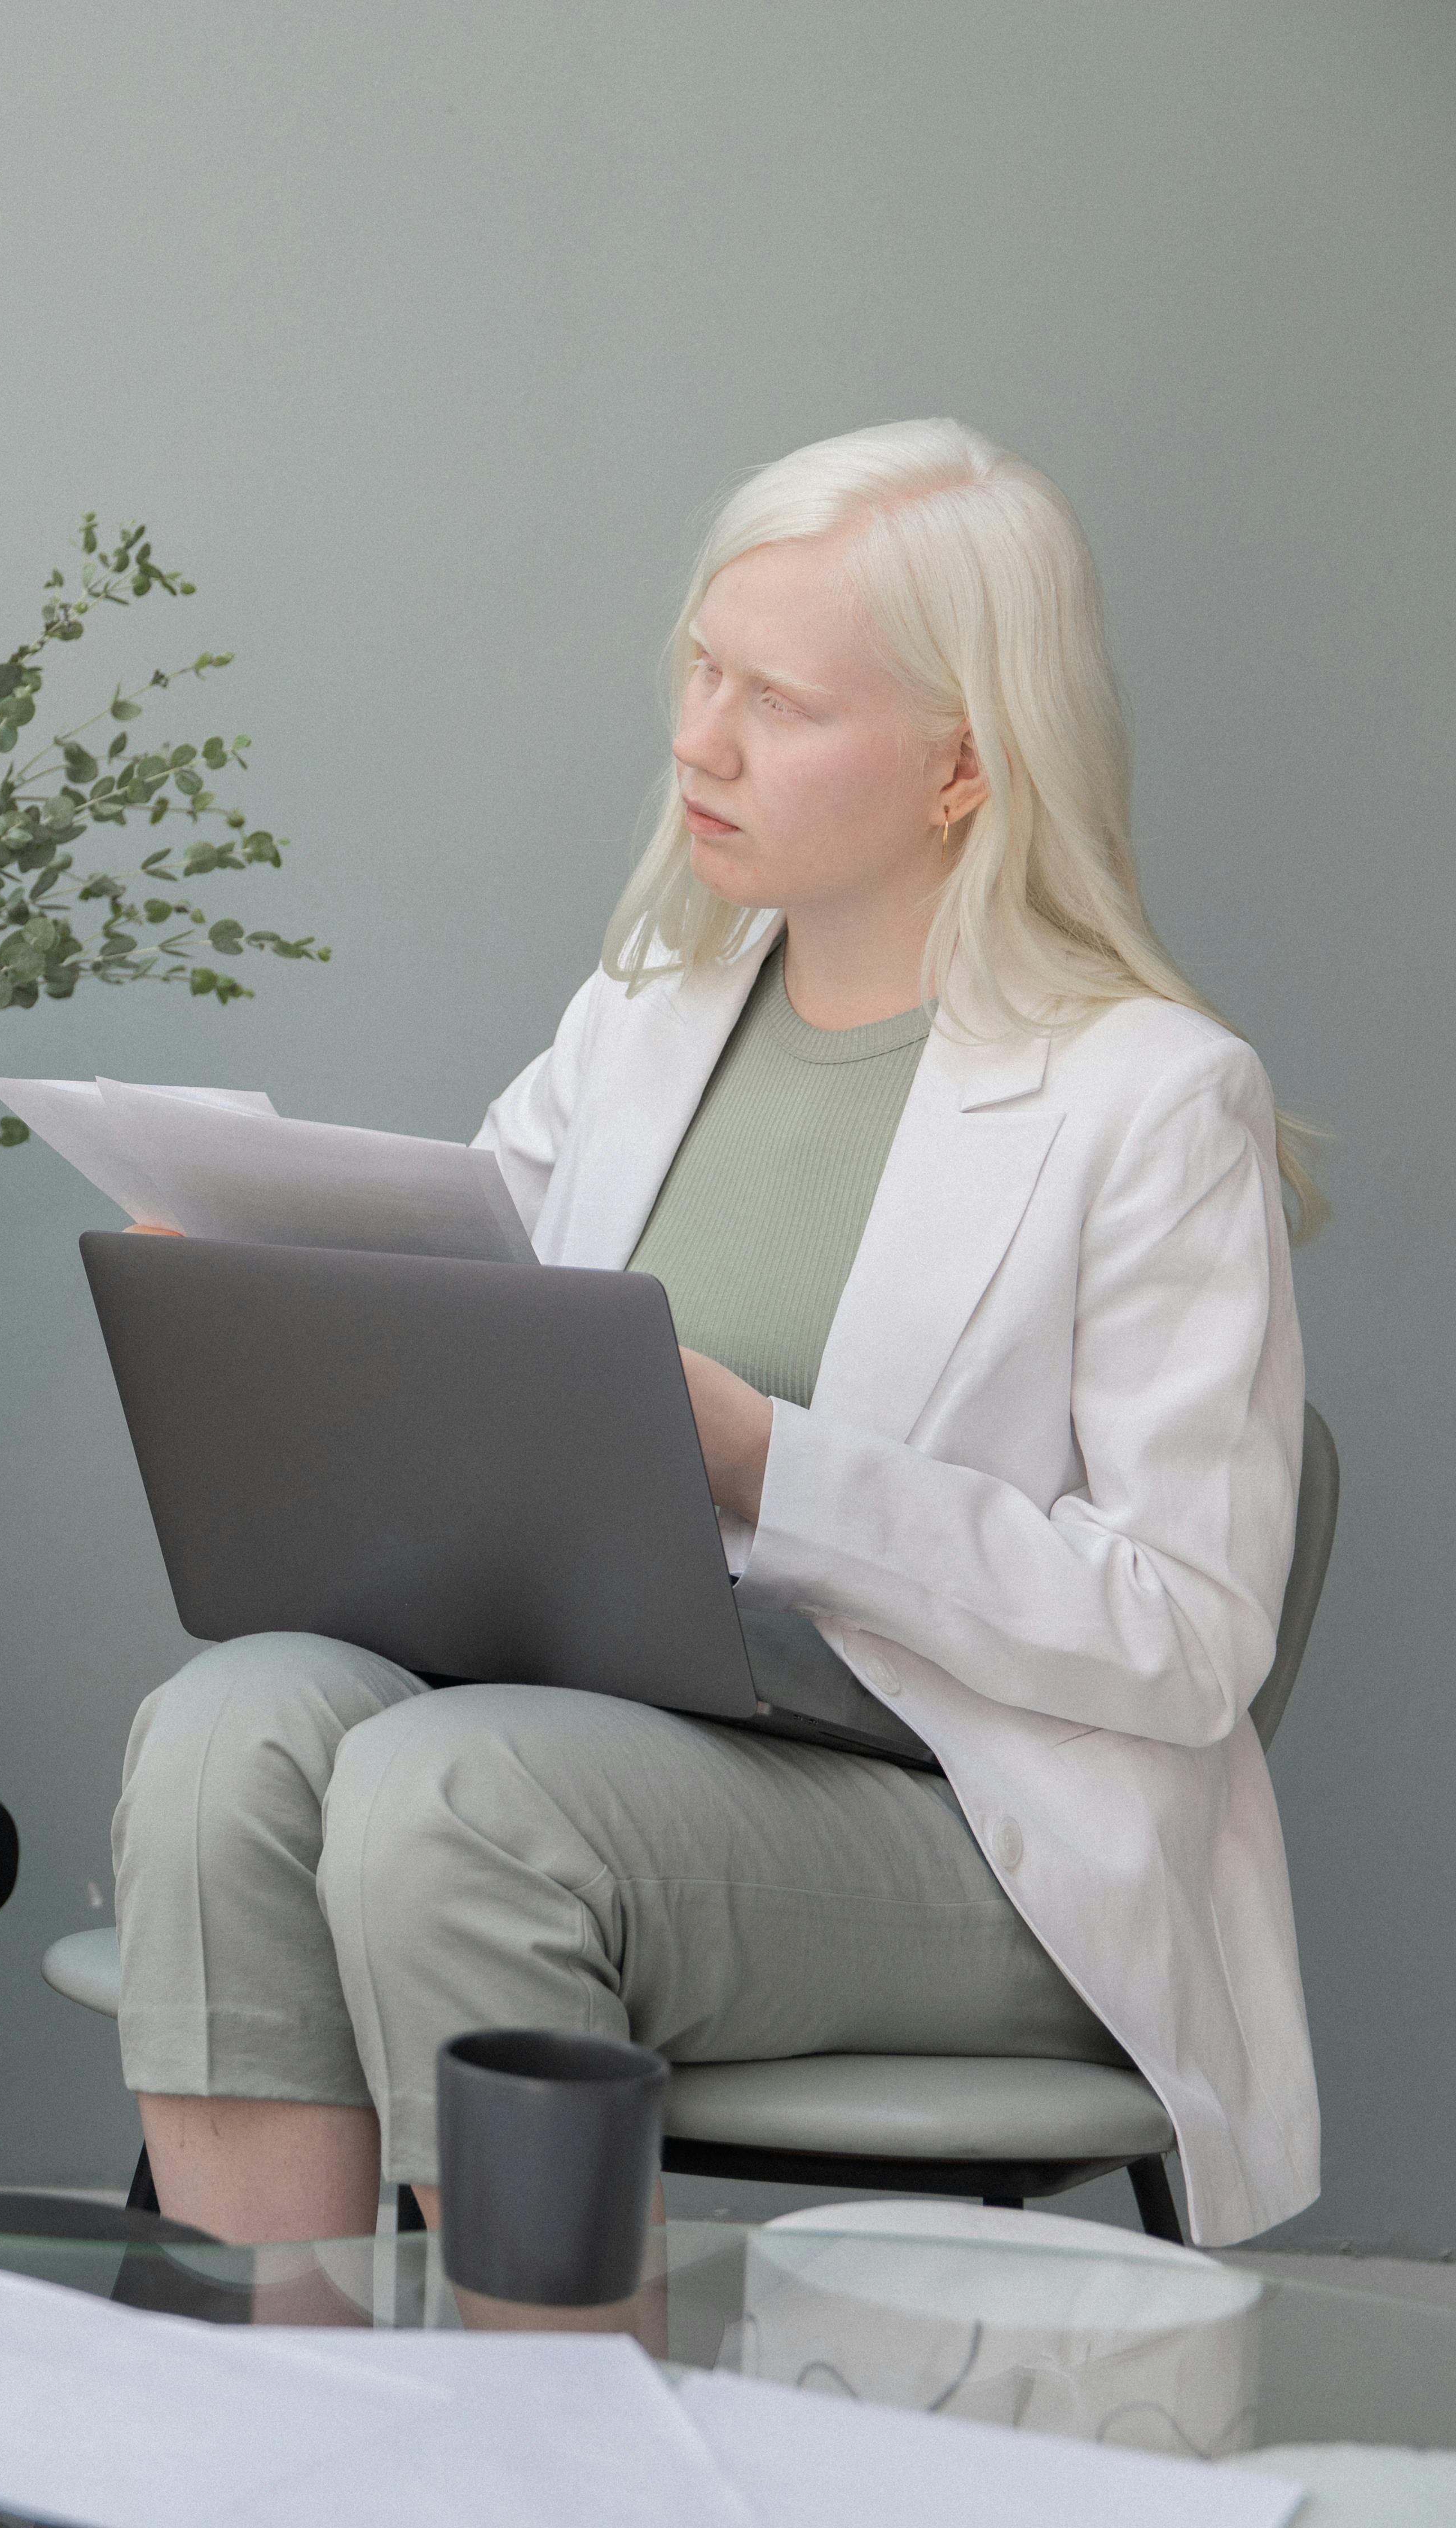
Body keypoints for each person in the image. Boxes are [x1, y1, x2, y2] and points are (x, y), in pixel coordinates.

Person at [113, 419, 1321, 2253]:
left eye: (782, 701)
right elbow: (481, 1317)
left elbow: (1190, 1633)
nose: (702, 738)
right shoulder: (650, 1016)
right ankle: (277, 2398)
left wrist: (770, 1460)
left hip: (967, 1828)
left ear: (960, 766)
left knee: (458, 1795)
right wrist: (269, 1288)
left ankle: (535, 2431)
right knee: (228, 1731)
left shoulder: (1155, 1103)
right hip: (621, 1722)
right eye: (702, 667)